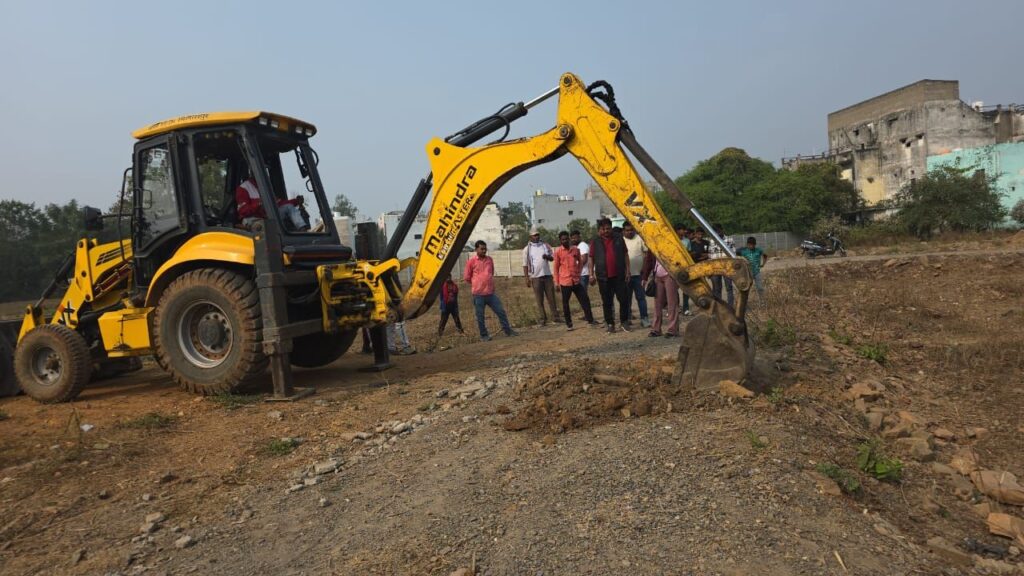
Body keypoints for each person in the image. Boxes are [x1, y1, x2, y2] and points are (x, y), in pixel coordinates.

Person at [465, 240, 518, 341]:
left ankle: (508, 331)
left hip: (490, 293)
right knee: (480, 316)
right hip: (478, 294)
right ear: (476, 249)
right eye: (482, 249)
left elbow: (491, 272)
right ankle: (484, 335)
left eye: (485, 249)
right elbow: (467, 277)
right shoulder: (471, 261)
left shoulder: (489, 260)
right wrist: (477, 283)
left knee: (500, 311)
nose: (484, 251)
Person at [589, 218, 632, 333]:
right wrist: (591, 274)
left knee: (623, 299)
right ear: (600, 230)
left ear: (611, 228)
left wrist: (628, 271)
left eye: (608, 228)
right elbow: (591, 258)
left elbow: (626, 255)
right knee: (607, 302)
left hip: (619, 275)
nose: (606, 231)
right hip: (603, 277)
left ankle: (624, 322)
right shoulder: (595, 242)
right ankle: (610, 324)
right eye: (603, 229)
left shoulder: (619, 239)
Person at [552, 231, 597, 331]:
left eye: (566, 239)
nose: (565, 241)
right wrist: (556, 282)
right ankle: (569, 324)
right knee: (565, 303)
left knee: (585, 299)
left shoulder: (575, 250)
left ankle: (590, 320)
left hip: (576, 280)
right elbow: (556, 268)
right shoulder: (558, 252)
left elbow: (580, 262)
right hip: (565, 282)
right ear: (560, 241)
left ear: (569, 239)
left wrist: (578, 273)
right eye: (563, 239)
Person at [235, 176, 309, 231]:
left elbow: (278, 203)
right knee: (263, 227)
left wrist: (296, 201)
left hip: (268, 218)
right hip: (252, 219)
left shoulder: (265, 187)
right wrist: (258, 205)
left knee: (288, 207)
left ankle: (302, 229)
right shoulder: (243, 188)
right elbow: (243, 210)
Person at [522, 228, 561, 325]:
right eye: (534, 235)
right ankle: (543, 319)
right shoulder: (527, 249)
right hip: (536, 277)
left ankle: (555, 317)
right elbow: (525, 264)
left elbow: (552, 258)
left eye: (538, 235)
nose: (536, 237)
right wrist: (527, 278)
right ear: (530, 237)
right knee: (539, 300)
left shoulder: (545, 245)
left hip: (547, 275)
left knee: (551, 298)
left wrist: (547, 257)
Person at [642, 250, 679, 338]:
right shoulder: (652, 245)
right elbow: (649, 260)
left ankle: (672, 329)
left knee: (672, 303)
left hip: (670, 275)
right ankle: (656, 329)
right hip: (658, 276)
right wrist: (644, 277)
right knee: (657, 304)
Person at [621, 222, 650, 328]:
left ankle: (644, 318)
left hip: (639, 275)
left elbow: (646, 255)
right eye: (627, 230)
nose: (629, 232)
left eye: (631, 230)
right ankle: (628, 318)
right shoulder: (621, 240)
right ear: (623, 231)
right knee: (626, 299)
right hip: (626, 276)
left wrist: (644, 270)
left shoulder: (639, 238)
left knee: (641, 298)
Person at [708, 223, 736, 308]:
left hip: (727, 267)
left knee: (729, 287)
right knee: (717, 288)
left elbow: (733, 254)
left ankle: (730, 306)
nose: (718, 233)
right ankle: (719, 307)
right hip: (716, 267)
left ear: (722, 229)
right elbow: (710, 255)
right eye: (715, 231)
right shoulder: (711, 241)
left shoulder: (729, 240)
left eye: (718, 230)